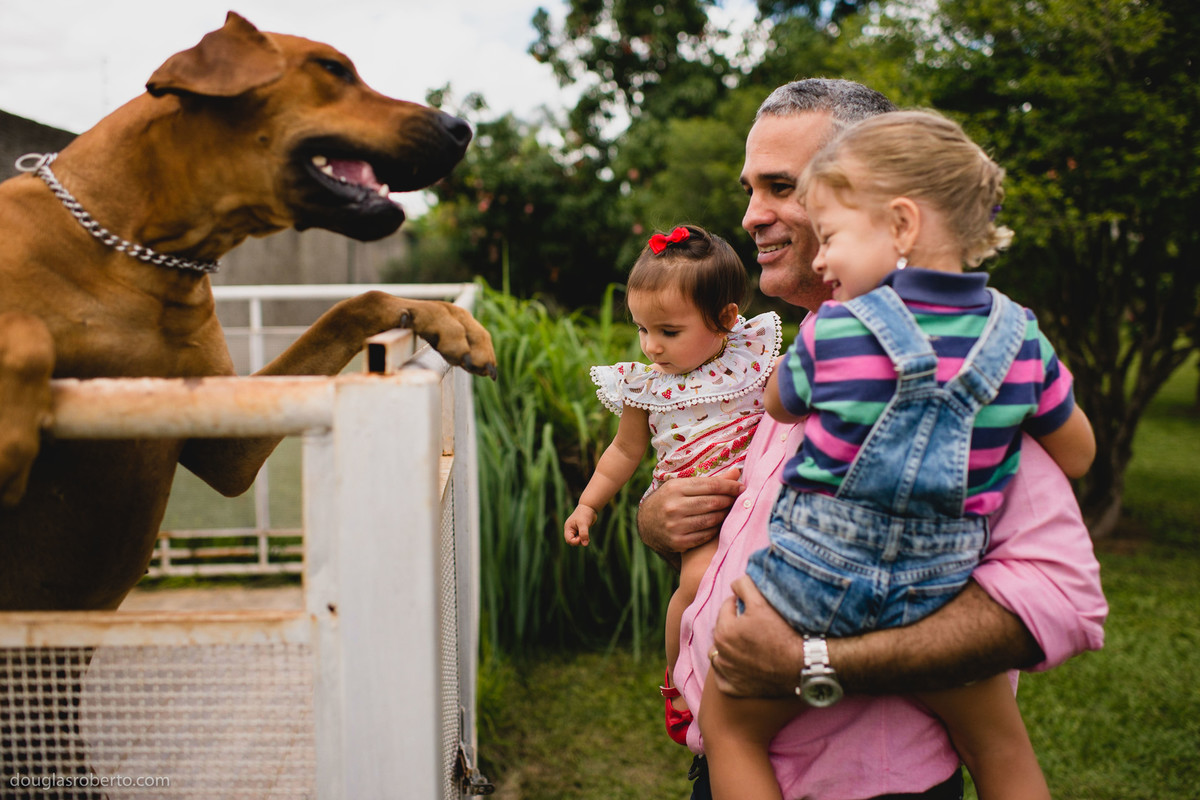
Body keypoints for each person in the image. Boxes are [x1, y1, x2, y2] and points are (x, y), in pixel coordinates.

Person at [638, 79, 1108, 799]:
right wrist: (662, 517)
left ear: (886, 210)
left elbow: (1057, 600)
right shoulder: (814, 348)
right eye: (749, 188)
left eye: (780, 187)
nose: (749, 215)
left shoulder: (970, 395)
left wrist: (813, 661)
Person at [564, 224, 782, 745]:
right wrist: (588, 504)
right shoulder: (646, 386)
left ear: (727, 318)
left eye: (668, 331)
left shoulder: (754, 362)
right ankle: (681, 678)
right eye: (642, 329)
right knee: (697, 583)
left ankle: (752, 679)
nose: (651, 346)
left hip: (758, 495)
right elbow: (624, 451)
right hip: (699, 511)